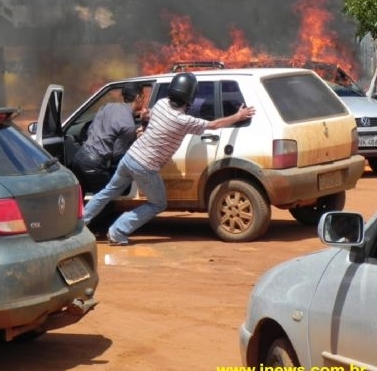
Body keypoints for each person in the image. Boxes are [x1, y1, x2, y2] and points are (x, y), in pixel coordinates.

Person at [83, 72, 256, 245]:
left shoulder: (161, 103)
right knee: (158, 204)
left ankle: (80, 224)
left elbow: (148, 116)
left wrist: (145, 119)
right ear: (191, 96)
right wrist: (238, 116)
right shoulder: (183, 120)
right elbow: (214, 124)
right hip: (145, 166)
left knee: (107, 192)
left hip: (129, 158)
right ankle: (117, 231)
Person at [71, 82, 146, 194]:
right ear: (138, 97)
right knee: (105, 203)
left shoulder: (107, 107)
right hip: (94, 165)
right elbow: (117, 155)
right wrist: (134, 138)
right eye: (143, 97)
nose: (144, 100)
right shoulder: (128, 125)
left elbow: (91, 129)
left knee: (81, 202)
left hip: (78, 159)